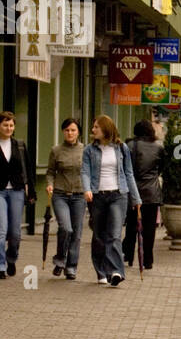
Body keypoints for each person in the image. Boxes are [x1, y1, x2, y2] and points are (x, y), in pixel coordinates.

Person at [81, 115, 141, 287]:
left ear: (106, 129)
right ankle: (101, 271)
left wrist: (136, 198)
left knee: (114, 234)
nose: (93, 130)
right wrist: (86, 189)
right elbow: (85, 171)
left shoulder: (121, 148)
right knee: (99, 235)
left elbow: (128, 173)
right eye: (93, 127)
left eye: (96, 127)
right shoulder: (89, 150)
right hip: (97, 196)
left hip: (118, 195)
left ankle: (116, 271)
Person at [0, 110, 32, 279]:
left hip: (17, 191)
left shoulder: (20, 145)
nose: (8, 128)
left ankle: (11, 258)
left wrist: (30, 190)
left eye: (11, 125)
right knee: (1, 229)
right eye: (5, 125)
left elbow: (28, 169)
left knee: (15, 232)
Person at [46, 117, 86, 280]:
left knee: (76, 232)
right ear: (63, 132)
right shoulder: (56, 150)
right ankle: (60, 259)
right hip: (60, 194)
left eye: (73, 130)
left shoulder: (86, 150)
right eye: (67, 130)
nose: (70, 133)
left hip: (79, 195)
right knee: (66, 228)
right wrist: (49, 184)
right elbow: (50, 172)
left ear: (78, 132)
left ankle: (71, 266)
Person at [124, 119, 164, 271]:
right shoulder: (159, 147)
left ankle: (128, 255)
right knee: (149, 229)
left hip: (133, 191)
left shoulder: (130, 146)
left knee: (131, 226)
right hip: (152, 192)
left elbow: (125, 169)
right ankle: (148, 259)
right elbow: (161, 167)